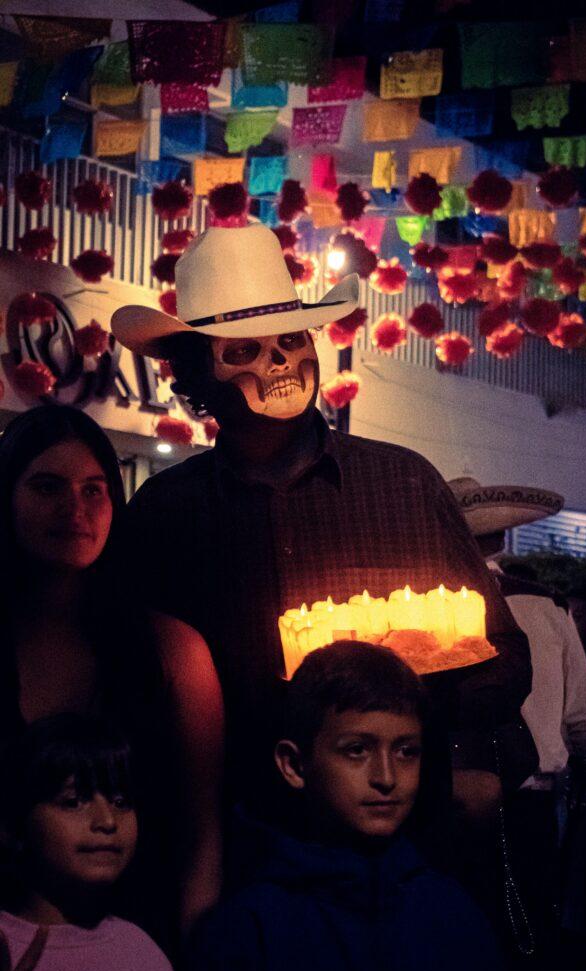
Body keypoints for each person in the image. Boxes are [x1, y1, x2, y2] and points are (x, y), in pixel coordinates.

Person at [112, 223, 533, 825]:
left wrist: (430, 734)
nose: (279, 361)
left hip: (401, 838)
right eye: (243, 349)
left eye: (291, 339)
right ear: (195, 376)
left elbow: (504, 654)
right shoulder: (166, 512)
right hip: (237, 830)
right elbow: (131, 676)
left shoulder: (405, 485)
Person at [186, 640, 510, 971]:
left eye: (406, 751)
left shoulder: (452, 913)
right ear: (293, 764)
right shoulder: (249, 931)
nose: (386, 778)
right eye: (357, 750)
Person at [0, 405, 224, 940]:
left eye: (93, 489)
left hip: (140, 948)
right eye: (48, 487)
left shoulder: (173, 650)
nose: (74, 509)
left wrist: (193, 970)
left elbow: (203, 841)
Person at [449, 478, 586, 971]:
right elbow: (585, 715)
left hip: (458, 795)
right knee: (533, 919)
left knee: (470, 922)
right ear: (503, 538)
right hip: (535, 797)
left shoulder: (435, 603)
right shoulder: (547, 608)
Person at [0, 715, 179, 971]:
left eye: (121, 801)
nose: (107, 821)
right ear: (16, 824)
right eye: (73, 802)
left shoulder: (141, 951)